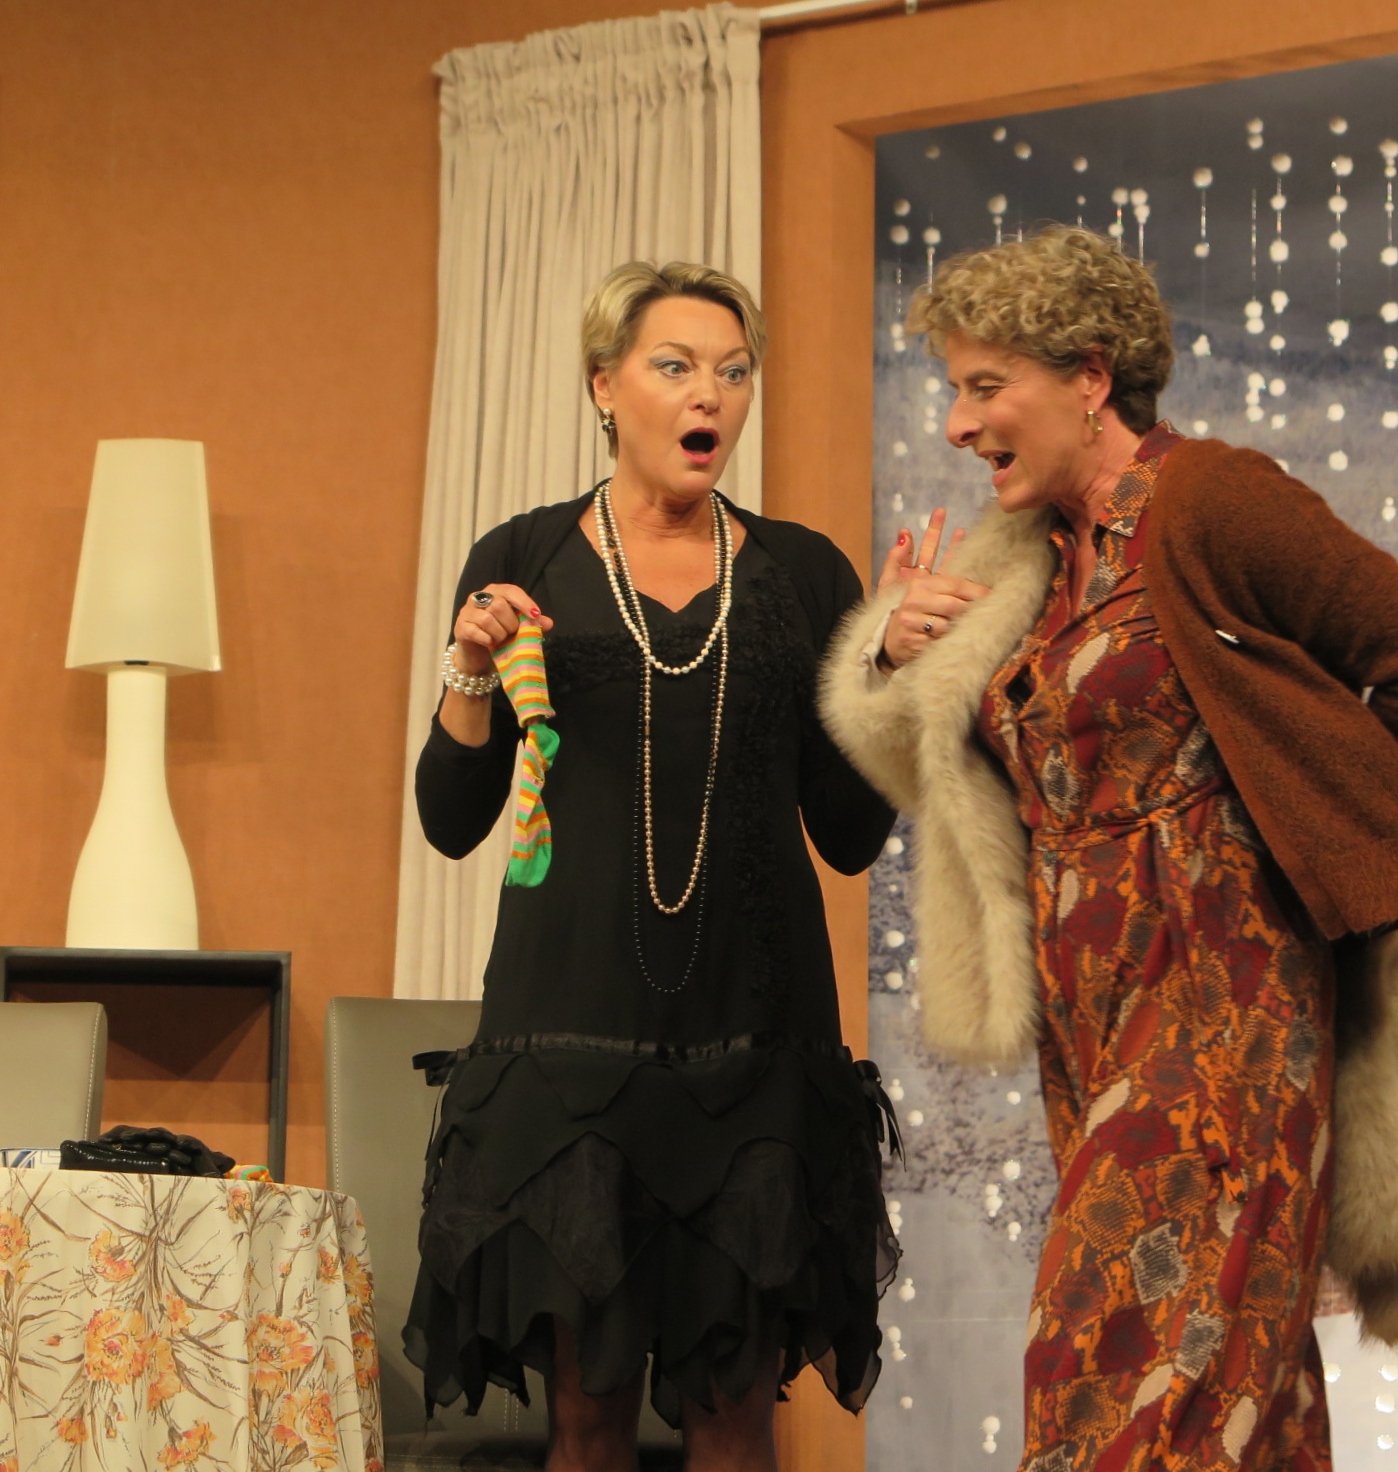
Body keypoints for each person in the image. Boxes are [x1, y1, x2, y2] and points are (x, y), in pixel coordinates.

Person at [820, 226, 1398, 1472]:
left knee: (1121, 1355)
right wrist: (894, 652)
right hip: (1088, 1009)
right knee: (1241, 1363)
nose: (957, 423)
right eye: (953, 389)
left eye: (984, 385)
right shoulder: (1020, 560)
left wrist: (1295, 815)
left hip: (1226, 992)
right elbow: (940, 777)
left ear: (1089, 376)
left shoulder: (1211, 499)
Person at [406, 260, 899, 1472]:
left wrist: (889, 680)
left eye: (733, 371)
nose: (709, 394)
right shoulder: (522, 555)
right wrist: (468, 670)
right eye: (675, 366)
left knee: (735, 1416)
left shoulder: (804, 573)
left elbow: (848, 833)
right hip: (571, 1042)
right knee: (585, 1418)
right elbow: (452, 819)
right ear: (603, 386)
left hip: (757, 1042)